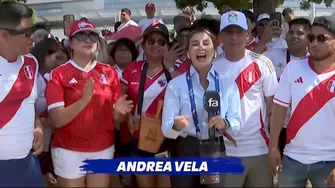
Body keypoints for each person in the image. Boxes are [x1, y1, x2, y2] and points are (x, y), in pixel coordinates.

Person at [45, 19, 133, 187]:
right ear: (70, 42)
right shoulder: (58, 74)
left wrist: (119, 114)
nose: (88, 40)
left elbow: (116, 120)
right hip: (68, 149)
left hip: (103, 148)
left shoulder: (108, 72)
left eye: (92, 36)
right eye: (81, 36)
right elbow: (57, 119)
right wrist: (84, 100)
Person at [162, 27, 242, 187]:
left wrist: (224, 123)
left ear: (214, 51)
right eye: (195, 44)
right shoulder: (175, 85)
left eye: (206, 43)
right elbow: (166, 130)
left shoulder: (228, 85)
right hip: (185, 149)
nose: (201, 48)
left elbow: (237, 125)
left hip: (216, 148)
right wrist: (176, 126)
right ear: (188, 52)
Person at [268, 16, 335, 187]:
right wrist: (274, 147)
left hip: (330, 162)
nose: (314, 43)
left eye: (322, 38)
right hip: (292, 159)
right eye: (312, 37)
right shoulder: (293, 68)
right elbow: (279, 109)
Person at [214, 11, 278, 187]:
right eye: (229, 31)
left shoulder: (263, 63)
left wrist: (274, 147)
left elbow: (273, 110)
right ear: (220, 36)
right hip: (224, 151)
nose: (234, 37)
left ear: (248, 34)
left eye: (239, 31)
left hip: (259, 149)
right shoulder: (211, 67)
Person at [120, 22, 171, 188]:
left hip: (167, 142)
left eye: (161, 42)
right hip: (138, 138)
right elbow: (120, 97)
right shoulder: (131, 69)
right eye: (151, 41)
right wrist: (128, 116)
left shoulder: (175, 72)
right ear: (143, 45)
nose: (156, 45)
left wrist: (171, 69)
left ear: (167, 47)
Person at [0, 1, 45, 187]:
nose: (32, 38)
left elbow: (29, 102)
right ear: (4, 35)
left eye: (33, 30)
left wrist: (38, 126)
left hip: (28, 162)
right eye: (26, 33)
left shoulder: (31, 62)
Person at [30, 38, 69, 187]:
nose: (58, 63)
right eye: (56, 58)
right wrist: (40, 121)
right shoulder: (32, 77)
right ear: (43, 55)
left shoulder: (43, 76)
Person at [109, 38, 138, 188]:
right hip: (114, 121)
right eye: (119, 49)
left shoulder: (139, 70)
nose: (122, 53)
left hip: (135, 121)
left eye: (126, 49)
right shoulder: (107, 72)